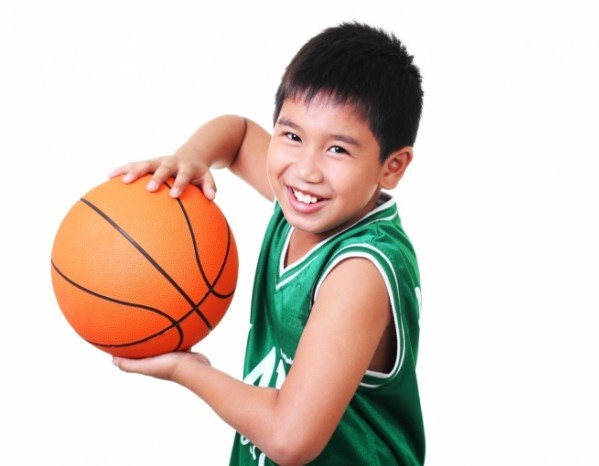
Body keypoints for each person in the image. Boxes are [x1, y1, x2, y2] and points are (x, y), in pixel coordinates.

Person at [110, 21, 425, 465]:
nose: (305, 170)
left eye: (338, 150)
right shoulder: (308, 201)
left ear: (392, 166)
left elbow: (289, 437)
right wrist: (190, 157)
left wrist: (188, 369)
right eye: (292, 136)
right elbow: (237, 133)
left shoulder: (360, 271)